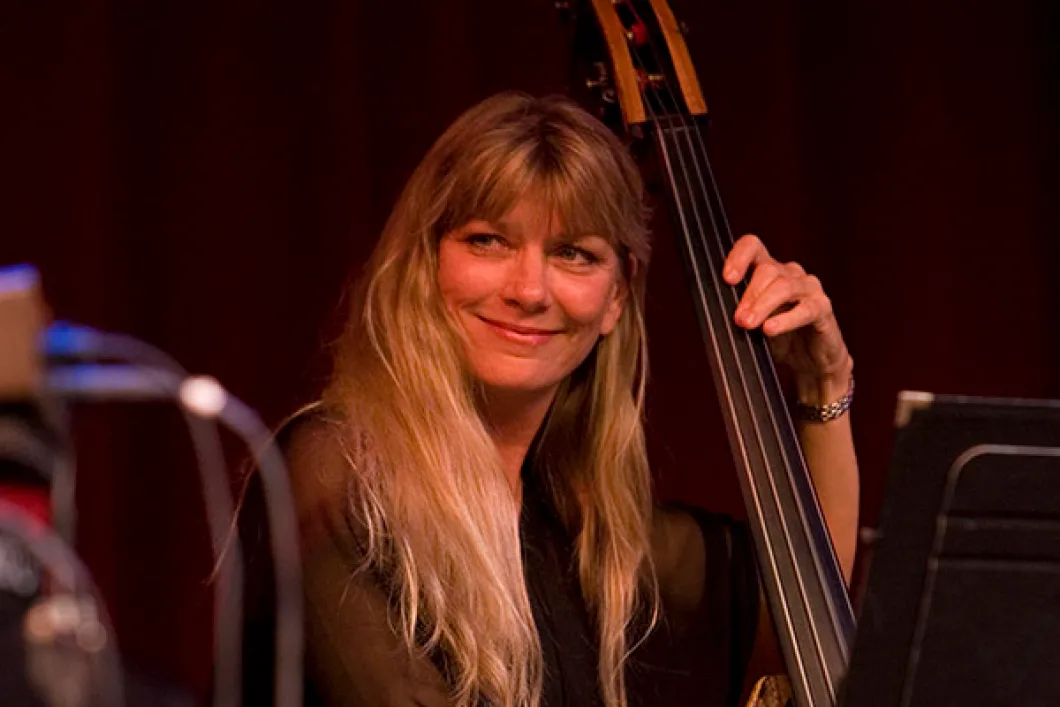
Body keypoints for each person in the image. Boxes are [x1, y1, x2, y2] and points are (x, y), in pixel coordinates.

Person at [248, 92, 858, 707]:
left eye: (573, 253)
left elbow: (802, 602)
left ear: (615, 299)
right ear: (427, 264)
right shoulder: (337, 467)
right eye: (488, 241)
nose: (529, 290)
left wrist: (823, 386)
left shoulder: (573, 521)